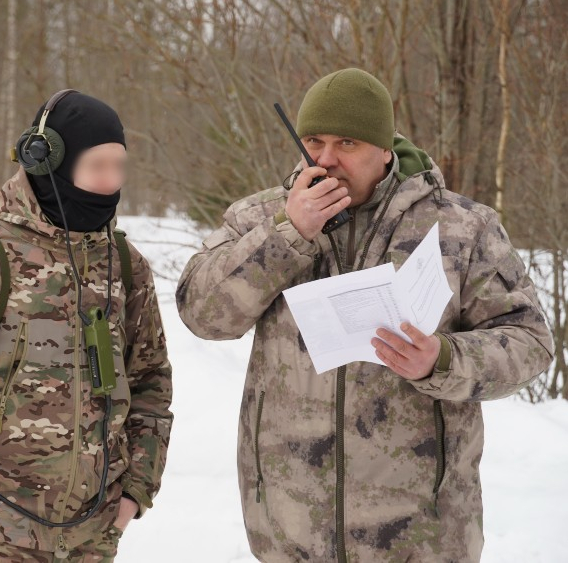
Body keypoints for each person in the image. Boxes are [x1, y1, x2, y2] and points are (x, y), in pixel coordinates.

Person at [176, 68, 554, 562]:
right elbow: (202, 315)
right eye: (314, 141)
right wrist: (287, 234)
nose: (327, 159)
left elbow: (530, 341)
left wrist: (443, 359)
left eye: (347, 143)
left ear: (383, 149)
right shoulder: (258, 218)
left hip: (423, 534)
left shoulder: (462, 227)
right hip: (290, 530)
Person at [0, 90, 173, 563]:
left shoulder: (125, 265)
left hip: (91, 538)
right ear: (48, 163)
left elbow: (150, 383)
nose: (109, 182)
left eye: (118, 166)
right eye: (96, 166)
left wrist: (133, 495)